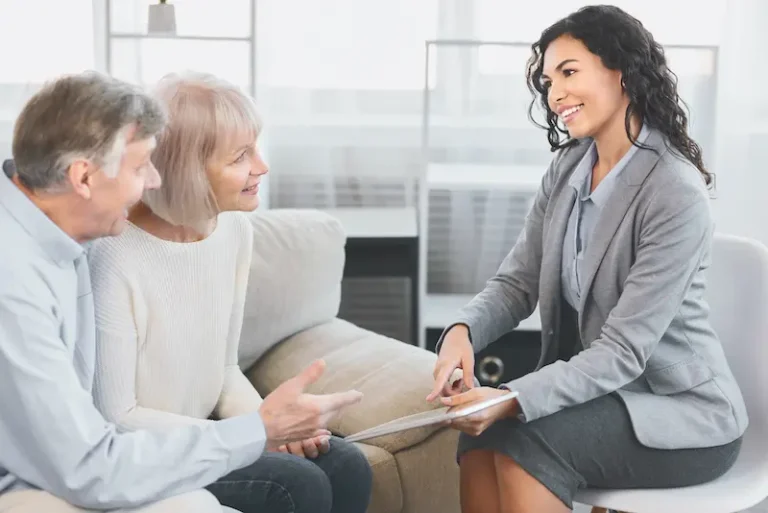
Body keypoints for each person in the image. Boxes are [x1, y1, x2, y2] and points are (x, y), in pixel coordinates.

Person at [428, 5, 747, 513]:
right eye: (548, 81)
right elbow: (517, 282)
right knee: (481, 437)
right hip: (600, 397)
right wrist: (462, 333)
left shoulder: (674, 192)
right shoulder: (568, 167)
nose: (555, 94)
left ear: (621, 71)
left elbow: (622, 351)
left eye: (569, 72)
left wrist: (509, 397)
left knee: (526, 441)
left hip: (679, 412)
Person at [0, 71, 363, 513]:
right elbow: (91, 458)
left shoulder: (64, 237)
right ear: (83, 177)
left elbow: (221, 370)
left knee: (346, 464)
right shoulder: (20, 284)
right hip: (83, 467)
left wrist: (269, 426)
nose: (154, 181)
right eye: (140, 167)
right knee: (292, 486)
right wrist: (259, 430)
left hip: (107, 457)